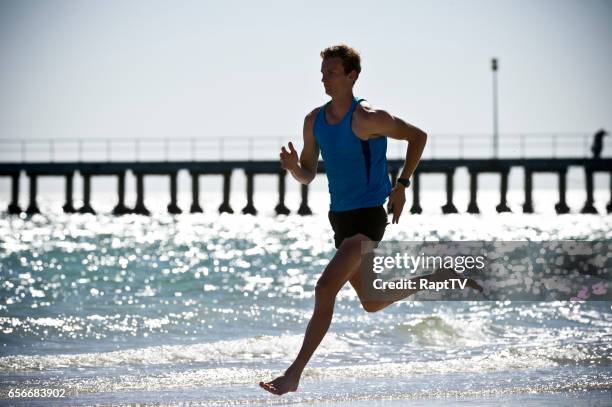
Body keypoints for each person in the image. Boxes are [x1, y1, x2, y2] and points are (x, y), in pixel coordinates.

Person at [259, 44, 479, 396]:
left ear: (352, 75)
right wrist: (292, 169)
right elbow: (308, 174)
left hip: (367, 218)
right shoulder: (313, 120)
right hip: (340, 220)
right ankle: (439, 275)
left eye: (332, 72)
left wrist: (402, 184)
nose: (324, 79)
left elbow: (418, 137)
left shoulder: (368, 118)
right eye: (323, 73)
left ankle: (293, 374)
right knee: (373, 302)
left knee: (324, 287)